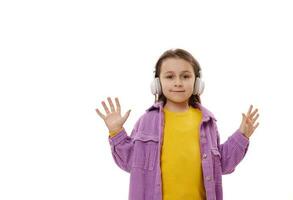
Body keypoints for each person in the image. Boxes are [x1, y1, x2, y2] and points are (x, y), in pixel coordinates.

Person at [95, 48, 260, 200]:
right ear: (157, 83)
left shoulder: (207, 121)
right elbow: (130, 162)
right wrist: (116, 131)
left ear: (197, 83)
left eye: (186, 76)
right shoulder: (146, 121)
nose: (178, 82)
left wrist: (242, 135)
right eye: (169, 76)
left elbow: (222, 164)